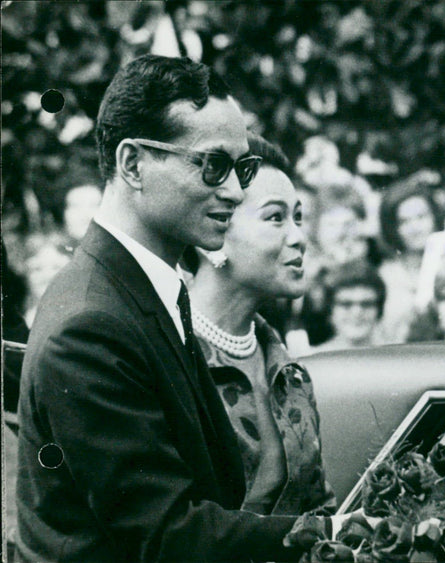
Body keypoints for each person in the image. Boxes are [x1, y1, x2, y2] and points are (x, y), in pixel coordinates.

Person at [15, 54, 312, 562]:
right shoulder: (90, 325)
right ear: (133, 164)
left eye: (243, 168)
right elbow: (166, 535)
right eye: (213, 165)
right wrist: (336, 537)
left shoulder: (139, 289)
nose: (236, 191)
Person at [187, 133, 336, 516]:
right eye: (275, 218)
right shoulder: (169, 358)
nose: (300, 237)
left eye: (298, 217)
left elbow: (317, 511)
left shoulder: (291, 372)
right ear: (212, 237)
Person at [378, 180, 443, 342]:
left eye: (421, 217)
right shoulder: (384, 276)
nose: (415, 227)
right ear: (393, 228)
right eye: (404, 221)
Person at [309, 262, 387, 353]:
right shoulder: (313, 360)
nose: (357, 312)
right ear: (330, 310)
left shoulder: (395, 360)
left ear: (379, 310)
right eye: (346, 304)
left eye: (366, 304)